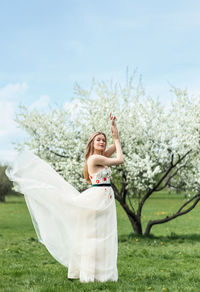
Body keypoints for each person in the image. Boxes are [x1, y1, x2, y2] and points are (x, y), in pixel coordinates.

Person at [5, 112, 124, 283]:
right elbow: (120, 159)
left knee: (103, 234)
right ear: (92, 143)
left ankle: (99, 274)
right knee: (94, 235)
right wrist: (117, 140)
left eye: (103, 140)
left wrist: (114, 133)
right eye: (98, 140)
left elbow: (114, 148)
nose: (102, 142)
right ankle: (89, 274)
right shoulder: (95, 158)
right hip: (98, 198)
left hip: (104, 198)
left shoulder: (101, 156)